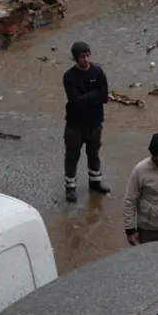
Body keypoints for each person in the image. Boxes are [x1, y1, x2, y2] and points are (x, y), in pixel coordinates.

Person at [63, 41, 110, 203]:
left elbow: (104, 97)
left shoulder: (98, 72)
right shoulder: (69, 77)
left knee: (94, 153)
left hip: (95, 122)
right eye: (82, 57)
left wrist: (87, 97)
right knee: (72, 155)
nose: (86, 59)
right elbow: (74, 100)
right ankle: (70, 187)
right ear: (76, 58)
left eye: (88, 55)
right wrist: (94, 94)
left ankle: (95, 182)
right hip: (75, 123)